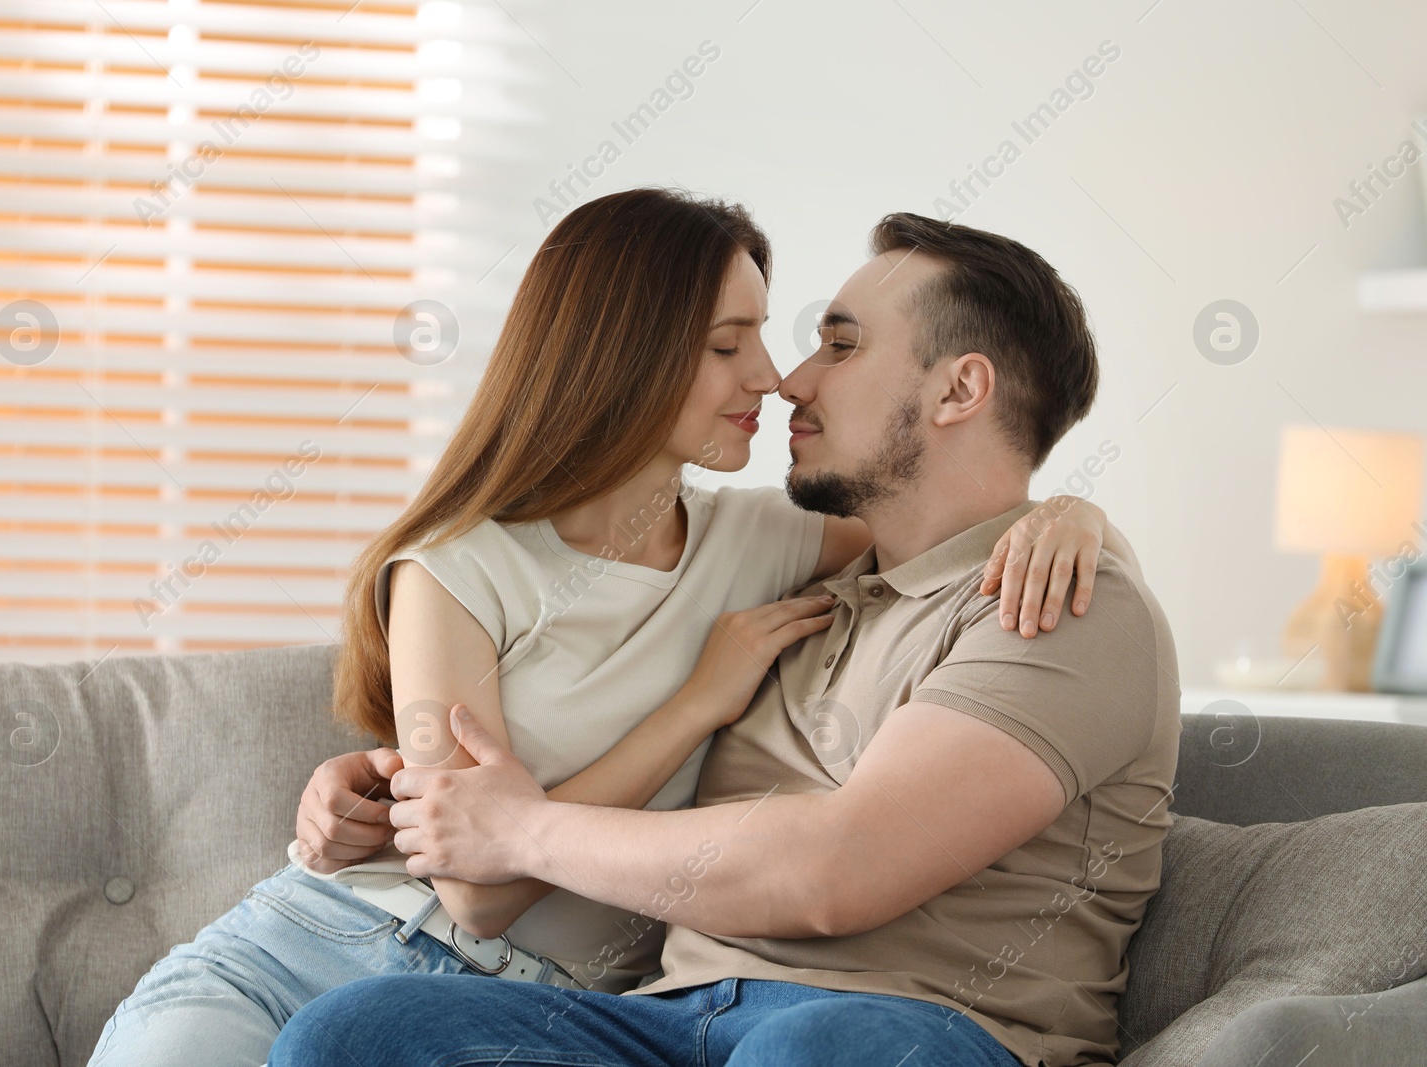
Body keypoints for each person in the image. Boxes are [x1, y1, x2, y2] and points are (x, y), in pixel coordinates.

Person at [88, 192, 1113, 1067]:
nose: (770, 375)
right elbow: (473, 889)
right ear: (621, 355)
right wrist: (695, 704)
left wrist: (1075, 516)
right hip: (322, 940)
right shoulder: (455, 564)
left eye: (772, 338)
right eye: (727, 345)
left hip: (557, 998)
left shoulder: (768, 538)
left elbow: (956, 504)